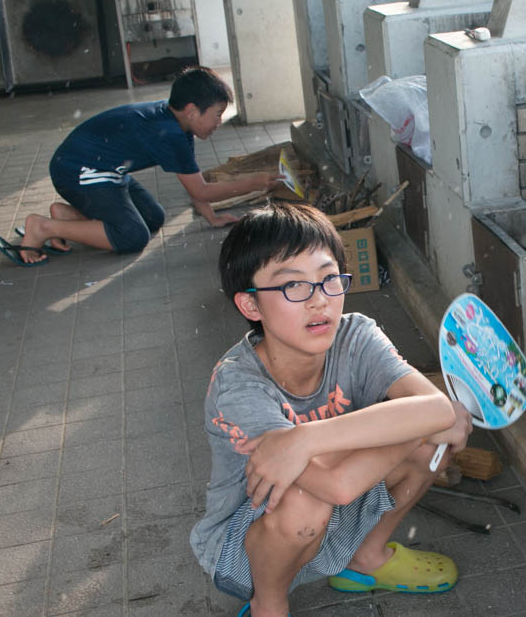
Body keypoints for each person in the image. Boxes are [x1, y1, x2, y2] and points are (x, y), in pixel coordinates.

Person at [190, 203, 472, 617]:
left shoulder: (356, 334)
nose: (319, 301)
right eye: (293, 286)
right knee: (308, 501)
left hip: (339, 502)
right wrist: (428, 423)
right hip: (247, 547)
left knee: (430, 448)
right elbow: (337, 485)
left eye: (328, 279)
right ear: (251, 306)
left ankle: (366, 559)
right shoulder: (239, 384)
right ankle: (268, 603)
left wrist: (304, 439)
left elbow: (433, 407)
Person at [0, 66, 281, 266]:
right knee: (132, 236)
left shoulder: (178, 124)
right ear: (192, 111)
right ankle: (44, 227)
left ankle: (66, 217)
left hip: (102, 169)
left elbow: (194, 185)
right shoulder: (171, 133)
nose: (219, 122)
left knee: (153, 218)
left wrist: (212, 218)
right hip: (78, 170)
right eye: (217, 115)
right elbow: (203, 191)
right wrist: (255, 182)